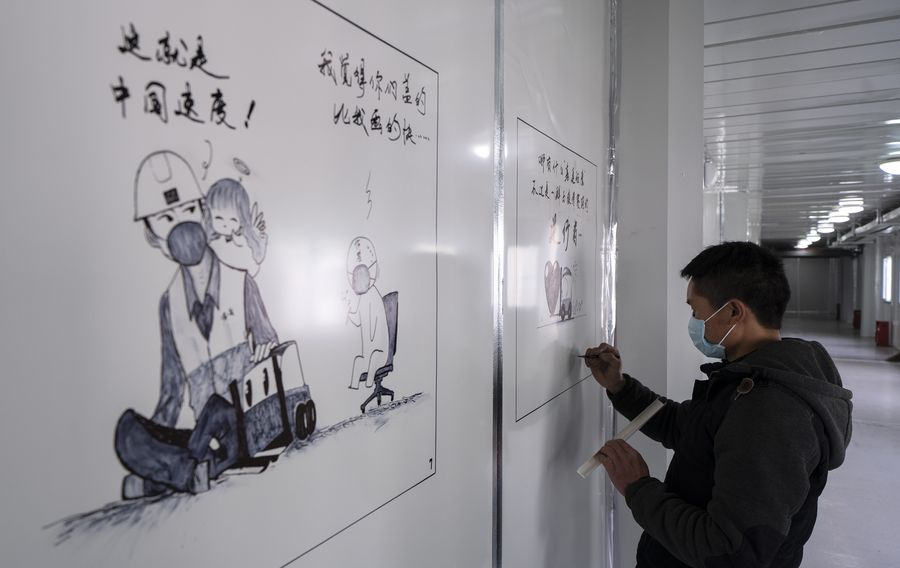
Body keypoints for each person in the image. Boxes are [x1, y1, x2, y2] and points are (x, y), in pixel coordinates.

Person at [584, 241, 853, 568]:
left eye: (695, 310)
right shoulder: (748, 378)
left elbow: (729, 552)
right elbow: (685, 427)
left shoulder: (769, 411)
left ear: (733, 312)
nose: (694, 321)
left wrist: (638, 487)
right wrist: (619, 385)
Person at [115, 151, 278, 499]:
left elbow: (271, 348)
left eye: (188, 209)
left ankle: (167, 475)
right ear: (152, 235)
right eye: (165, 218)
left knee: (218, 409)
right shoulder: (169, 304)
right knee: (128, 432)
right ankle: (190, 470)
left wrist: (267, 349)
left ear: (204, 214)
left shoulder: (240, 282)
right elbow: (172, 392)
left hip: (241, 421)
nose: (181, 225)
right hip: (203, 436)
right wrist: (154, 440)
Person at [207, 177, 268, 277]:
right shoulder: (212, 244)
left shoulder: (241, 242)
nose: (225, 224)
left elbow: (254, 265)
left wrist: (259, 243)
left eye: (233, 220)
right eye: (218, 218)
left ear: (241, 220)